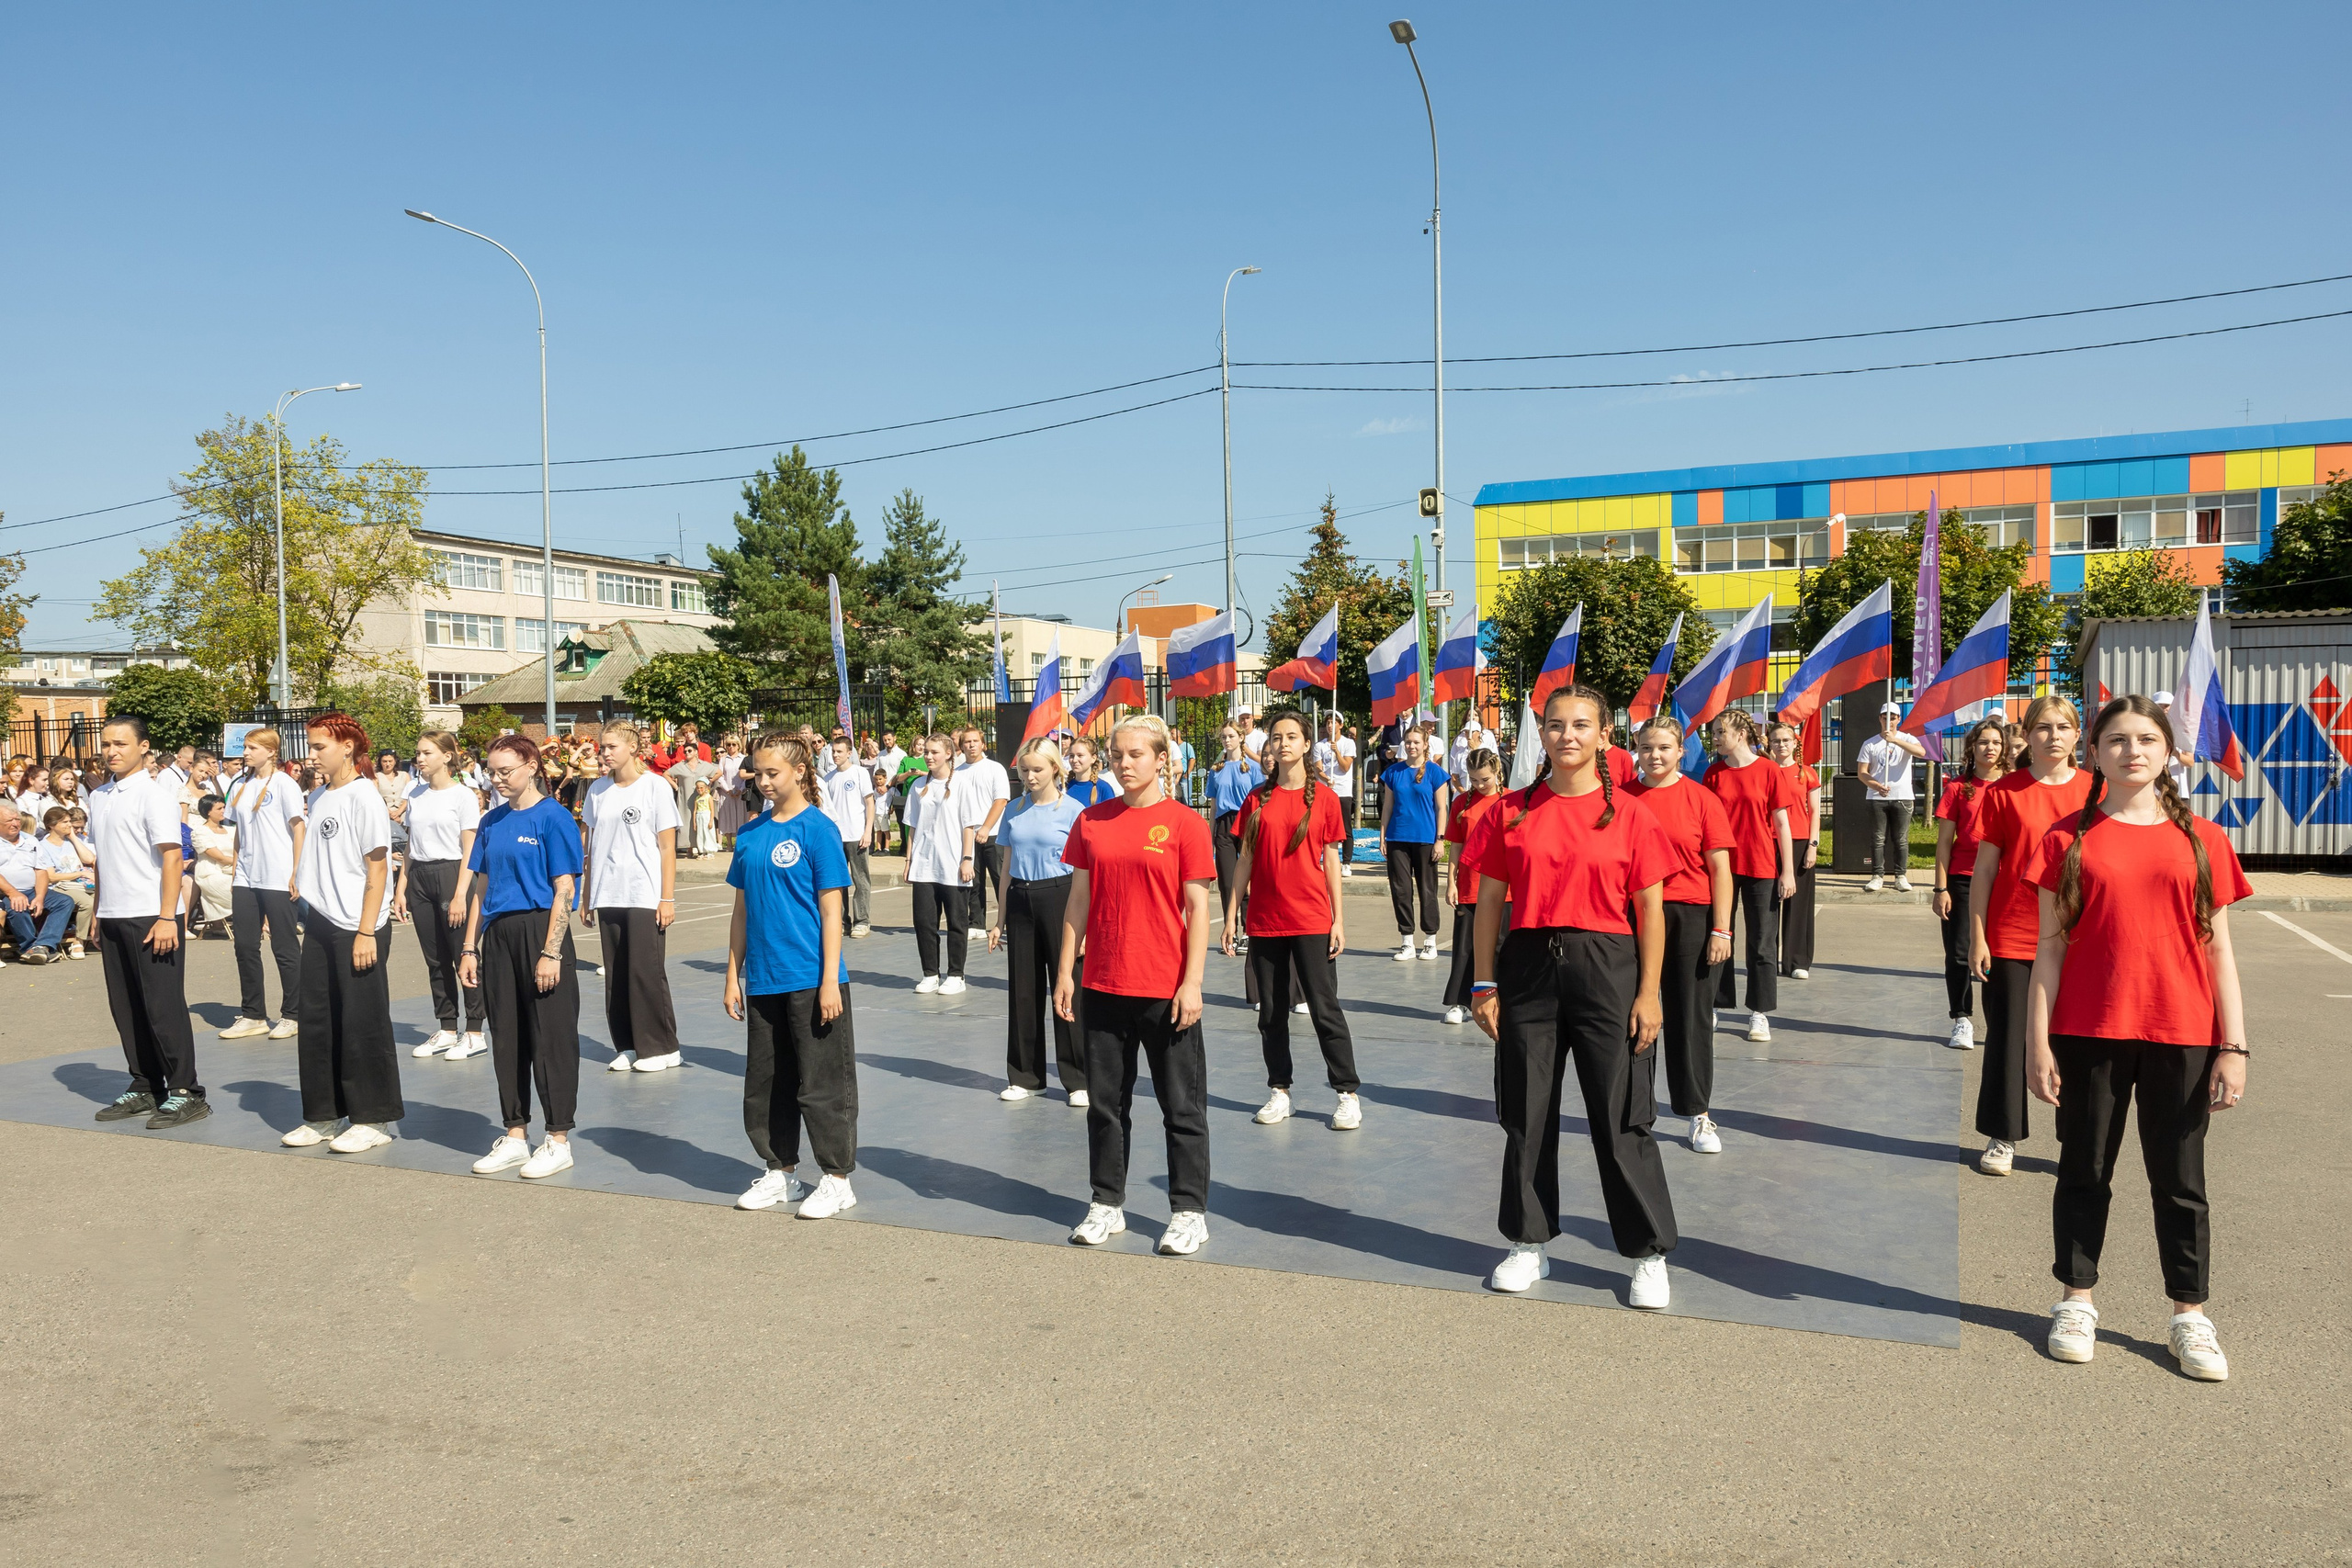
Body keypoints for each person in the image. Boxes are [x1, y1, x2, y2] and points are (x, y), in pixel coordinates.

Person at [2025, 694, 2248, 1381]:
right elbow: (2049, 953)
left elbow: (2220, 952)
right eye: (2117, 740)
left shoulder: (2203, 839)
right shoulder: (2066, 838)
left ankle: (2190, 1315)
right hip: (2088, 1030)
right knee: (2084, 1170)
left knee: (2180, 1181)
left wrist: (2234, 1046)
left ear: (2168, 751)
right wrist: (2037, 1042)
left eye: (2145, 739)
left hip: (2181, 1032)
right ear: (2095, 753)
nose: (2132, 751)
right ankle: (2076, 1299)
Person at [1464, 684, 1679, 1309]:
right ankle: (1529, 1241)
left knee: (1621, 1114)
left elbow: (1652, 912)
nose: (1567, 736)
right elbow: (1488, 904)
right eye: (1555, 725)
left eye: (1581, 725)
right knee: (1527, 1110)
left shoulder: (1634, 815)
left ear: (1604, 735)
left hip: (1608, 966)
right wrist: (1483, 981)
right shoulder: (1510, 810)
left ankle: (1647, 1252)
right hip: (1529, 964)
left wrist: (1649, 993)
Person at [1056, 714, 1217, 1255]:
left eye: (1136, 755)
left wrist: (1191, 983)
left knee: (1182, 1106)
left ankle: (1189, 1211)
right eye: (1117, 754)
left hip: (1166, 988)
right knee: (1105, 1104)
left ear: (1161, 759)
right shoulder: (1091, 822)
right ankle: (1107, 1202)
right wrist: (1064, 971)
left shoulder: (1185, 825)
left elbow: (1198, 910)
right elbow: (1078, 900)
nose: (1124, 764)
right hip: (1103, 983)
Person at [724, 733, 862, 1218]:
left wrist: (829, 980)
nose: (762, 782)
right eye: (757, 773)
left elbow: (831, 912)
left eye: (771, 773)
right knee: (767, 1082)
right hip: (764, 979)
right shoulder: (751, 834)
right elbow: (741, 912)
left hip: (811, 977)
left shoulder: (818, 830)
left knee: (822, 1082)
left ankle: (836, 1178)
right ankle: (781, 1173)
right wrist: (732, 975)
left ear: (799, 771)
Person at [1967, 695, 2091, 1178]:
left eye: (2064, 727)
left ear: (2078, 735)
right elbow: (1984, 871)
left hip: (2080, 937)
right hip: (2014, 937)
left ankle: (2076, 1137)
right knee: (2010, 1039)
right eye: (2043, 727)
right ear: (2028, 735)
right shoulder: (2004, 792)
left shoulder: (2096, 792)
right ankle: (2003, 1136)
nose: (2053, 736)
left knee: (2077, 1041)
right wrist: (1977, 937)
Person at [1222, 708, 1358, 1130]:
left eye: (1292, 736)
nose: (1283, 743)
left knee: (1324, 1009)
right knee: (1271, 1013)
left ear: (1305, 744)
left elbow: (1332, 860)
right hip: (1265, 922)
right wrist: (1230, 916)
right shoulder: (1255, 801)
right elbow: (1243, 860)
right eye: (1276, 737)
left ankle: (1347, 1094)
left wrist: (1338, 919)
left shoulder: (1327, 800)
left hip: (1313, 920)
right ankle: (1280, 1091)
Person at [459, 735, 586, 1181]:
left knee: (551, 1038)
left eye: (504, 771)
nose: (495, 779)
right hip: (498, 935)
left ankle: (557, 1140)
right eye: (491, 772)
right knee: (508, 1037)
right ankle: (515, 1135)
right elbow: (481, 888)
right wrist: (470, 946)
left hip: (540, 931)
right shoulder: (491, 821)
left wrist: (551, 952)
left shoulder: (554, 818)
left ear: (531, 765)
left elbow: (565, 889)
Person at [277, 714, 403, 1153]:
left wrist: (367, 930)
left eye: (320, 747)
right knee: (317, 1022)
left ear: (348, 747)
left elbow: (377, 865)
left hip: (359, 925)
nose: (312, 755)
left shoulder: (363, 796)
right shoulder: (319, 795)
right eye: (311, 747)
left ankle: (374, 1118)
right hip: (322, 922)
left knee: (362, 1023)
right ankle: (324, 1115)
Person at [86, 716, 209, 1128]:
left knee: (163, 1006)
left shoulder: (154, 795)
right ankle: (144, 1086)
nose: (111, 751)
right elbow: (103, 857)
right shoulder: (100, 795)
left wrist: (167, 916)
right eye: (106, 744)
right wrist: (98, 912)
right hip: (114, 915)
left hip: (153, 915)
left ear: (144, 747)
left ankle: (186, 1091)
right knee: (127, 1008)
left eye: (120, 743)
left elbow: (173, 856)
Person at [1628, 716, 1737, 1155]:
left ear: (1680, 751)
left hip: (1690, 915)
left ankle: (1698, 1114)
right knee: (1633, 1014)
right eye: (1647, 747)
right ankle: (1636, 1112)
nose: (1655, 756)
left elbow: (1720, 871)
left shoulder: (1702, 799)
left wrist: (1721, 929)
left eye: (1665, 748)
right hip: (1632, 915)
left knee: (1691, 1018)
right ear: (1636, 748)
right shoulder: (1621, 798)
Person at [989, 739, 1089, 1105]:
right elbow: (1004, 870)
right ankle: (1025, 1076)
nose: (1029, 777)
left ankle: (1079, 1079)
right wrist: (999, 918)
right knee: (1023, 990)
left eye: (1037, 770)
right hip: (1020, 898)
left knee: (1067, 987)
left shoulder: (1075, 811)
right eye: (1024, 770)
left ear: (1055, 769)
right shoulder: (1013, 810)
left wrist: (1086, 927)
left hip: (1062, 898)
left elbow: (1086, 873)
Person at [580, 722, 683, 1074]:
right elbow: (591, 846)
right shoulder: (597, 789)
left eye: (611, 747)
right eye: (601, 747)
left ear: (632, 748)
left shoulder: (654, 787)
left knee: (645, 972)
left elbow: (667, 847)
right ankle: (628, 1045)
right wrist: (586, 894)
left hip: (644, 892)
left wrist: (666, 898)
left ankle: (662, 1047)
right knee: (616, 974)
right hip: (608, 892)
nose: (604, 753)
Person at [1701, 710, 1796, 1043]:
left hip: (1761, 866)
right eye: (1712, 732)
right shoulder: (1712, 773)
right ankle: (1714, 1003)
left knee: (1762, 943)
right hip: (1722, 867)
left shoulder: (1769, 770)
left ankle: (1759, 1012)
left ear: (1741, 734)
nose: (1713, 738)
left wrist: (1787, 870)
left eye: (1719, 732)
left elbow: (1782, 823)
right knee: (1718, 935)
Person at [399, 731, 487, 1060]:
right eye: (418, 753)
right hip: (420, 876)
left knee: (463, 954)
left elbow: (469, 850)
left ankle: (475, 1030)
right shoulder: (416, 794)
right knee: (434, 959)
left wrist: (461, 893)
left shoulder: (462, 796)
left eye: (427, 753)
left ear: (447, 757)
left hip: (452, 874)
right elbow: (410, 845)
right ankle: (448, 1027)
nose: (419, 758)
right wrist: (401, 887)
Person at [220, 728, 306, 1042]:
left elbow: (299, 829)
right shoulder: (240, 784)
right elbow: (239, 832)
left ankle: (294, 1014)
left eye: (252, 747)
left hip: (277, 875)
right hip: (246, 875)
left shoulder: (285, 784)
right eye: (245, 747)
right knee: (244, 946)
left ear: (271, 751)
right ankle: (253, 1014)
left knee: (284, 946)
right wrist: (235, 870)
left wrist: (296, 871)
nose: (246, 752)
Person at [1932, 717, 2010, 1052]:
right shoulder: (1956, 789)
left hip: (2008, 880)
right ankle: (1962, 1019)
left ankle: (2002, 1021)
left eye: (1995, 742)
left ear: (2004, 747)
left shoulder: (2015, 786)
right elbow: (1944, 843)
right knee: (1960, 954)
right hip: (1963, 879)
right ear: (1972, 748)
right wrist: (1940, 888)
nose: (1989, 748)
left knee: (2004, 954)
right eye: (1983, 742)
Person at [904, 733, 987, 994]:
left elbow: (968, 825)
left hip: (952, 864)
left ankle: (956, 975)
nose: (928, 756)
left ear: (949, 754)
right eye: (926, 752)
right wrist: (909, 860)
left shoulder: (962, 783)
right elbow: (913, 827)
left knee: (956, 921)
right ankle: (930, 973)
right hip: (924, 864)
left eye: (934, 752)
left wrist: (967, 859)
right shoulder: (918, 786)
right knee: (925, 922)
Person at [1440, 748, 1508, 1025]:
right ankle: (1460, 1001)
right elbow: (1455, 846)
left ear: (1497, 773)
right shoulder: (1461, 804)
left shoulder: (1511, 801)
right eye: (1474, 780)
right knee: (1466, 946)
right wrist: (1451, 882)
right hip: (1470, 886)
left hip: (1505, 888)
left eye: (1485, 779)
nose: (1479, 785)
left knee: (1502, 946)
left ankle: (1503, 998)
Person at [1379, 727, 1450, 962]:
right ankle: (1407, 941)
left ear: (1425, 744)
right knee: (1401, 890)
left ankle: (1430, 940)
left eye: (1416, 742)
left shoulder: (1435, 773)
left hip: (1426, 839)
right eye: (1408, 742)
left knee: (1427, 890)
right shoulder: (1393, 773)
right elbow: (1387, 806)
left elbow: (1442, 808)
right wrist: (1383, 835)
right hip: (1398, 838)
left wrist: (1440, 839)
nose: (1411, 746)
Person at [1766, 720, 1822, 980]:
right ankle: (1767, 960)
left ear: (1794, 743)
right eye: (1776, 741)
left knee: (1798, 905)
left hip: (1800, 842)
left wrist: (1813, 845)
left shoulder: (1807, 773)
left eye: (1786, 740)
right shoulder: (1764, 771)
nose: (1781, 745)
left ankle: (1797, 961)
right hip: (1768, 841)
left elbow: (1815, 813)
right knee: (1768, 904)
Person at [1857, 702, 1928, 892]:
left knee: (1901, 839)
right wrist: (1875, 785)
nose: (1889, 721)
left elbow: (1921, 752)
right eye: (1885, 717)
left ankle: (1900, 875)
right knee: (1878, 838)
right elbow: (1862, 772)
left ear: (1899, 719)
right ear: (1880, 718)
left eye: (1893, 717)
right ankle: (1877, 875)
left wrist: (1895, 740)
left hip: (1902, 796)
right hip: (1876, 797)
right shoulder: (1869, 743)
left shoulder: (1907, 738)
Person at [1205, 725, 1263, 950]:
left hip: (1247, 822)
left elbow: (1259, 801)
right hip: (1224, 825)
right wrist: (1210, 835)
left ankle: (1249, 930)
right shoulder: (1216, 769)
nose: (1227, 740)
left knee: (1247, 878)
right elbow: (1212, 805)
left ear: (1241, 737)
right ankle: (1232, 931)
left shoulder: (1253, 768)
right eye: (1223, 737)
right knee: (1227, 881)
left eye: (1231, 736)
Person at [1, 800, 75, 964]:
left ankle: (43, 945)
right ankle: (30, 947)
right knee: (16, 906)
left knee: (64, 902)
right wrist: (13, 893)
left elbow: (41, 870)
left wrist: (40, 896)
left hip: (32, 890)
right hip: (7, 892)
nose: (15, 823)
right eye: (9, 821)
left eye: (17, 819)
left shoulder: (30, 840)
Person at [956, 728, 1012, 936]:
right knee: (973, 880)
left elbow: (1001, 800)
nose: (971, 745)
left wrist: (986, 828)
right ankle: (976, 923)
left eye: (975, 741)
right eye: (967, 742)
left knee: (1000, 878)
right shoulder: (958, 772)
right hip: (969, 836)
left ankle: (1009, 922)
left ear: (983, 744)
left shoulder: (994, 768)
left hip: (994, 834)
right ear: (961, 746)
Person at [820, 735, 876, 937]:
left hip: (856, 834)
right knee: (838, 881)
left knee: (860, 878)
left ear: (849, 753)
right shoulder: (828, 778)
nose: (835, 755)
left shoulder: (859, 773)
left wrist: (867, 831)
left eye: (839, 752)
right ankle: (842, 921)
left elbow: (870, 803)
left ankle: (862, 920)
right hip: (835, 837)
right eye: (833, 752)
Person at [38, 806, 94, 960]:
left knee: (103, 897)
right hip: (60, 886)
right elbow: (51, 877)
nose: (69, 825)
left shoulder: (70, 842)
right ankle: (79, 941)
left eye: (70, 821)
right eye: (64, 822)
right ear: (51, 825)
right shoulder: (43, 846)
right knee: (88, 903)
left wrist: (74, 838)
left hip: (81, 883)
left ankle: (98, 935)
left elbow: (89, 859)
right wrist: (81, 873)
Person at [1314, 714, 1359, 877]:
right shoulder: (1319, 746)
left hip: (1342, 792)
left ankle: (1346, 863)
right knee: (1321, 826)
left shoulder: (1348, 743)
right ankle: (1320, 859)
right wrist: (1326, 778)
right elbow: (1317, 768)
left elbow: (1346, 766)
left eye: (1333, 723)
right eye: (1328, 723)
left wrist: (1337, 751)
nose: (1330, 726)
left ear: (1341, 725)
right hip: (1325, 790)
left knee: (1345, 827)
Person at [187, 795, 236, 934]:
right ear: (209, 811)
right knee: (242, 890)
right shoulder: (200, 832)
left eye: (224, 807)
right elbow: (218, 857)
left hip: (233, 870)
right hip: (211, 873)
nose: (223, 811)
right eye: (219, 808)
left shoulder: (231, 830)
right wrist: (239, 862)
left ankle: (266, 924)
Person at [1065, 736, 1116, 807]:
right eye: (1071, 756)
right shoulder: (1065, 787)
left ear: (1093, 758)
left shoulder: (1103, 788)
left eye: (1080, 755)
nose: (1074, 760)